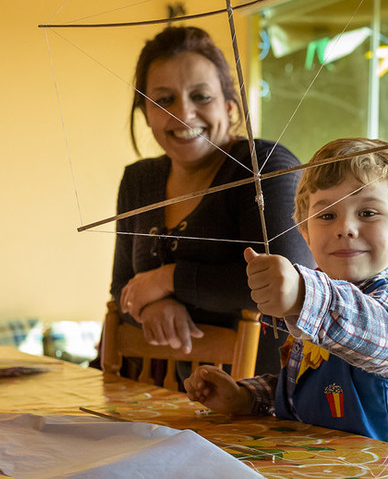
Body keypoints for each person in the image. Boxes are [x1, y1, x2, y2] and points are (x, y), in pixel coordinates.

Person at [185, 138, 388, 445]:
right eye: (327, 215)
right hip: (317, 471)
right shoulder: (319, 304)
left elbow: (373, 335)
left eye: (368, 213)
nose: (344, 228)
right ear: (305, 234)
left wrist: (302, 294)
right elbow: (305, 388)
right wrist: (244, 397)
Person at [108, 25, 313, 380]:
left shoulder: (263, 166)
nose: (182, 114)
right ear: (146, 113)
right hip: (156, 397)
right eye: (164, 100)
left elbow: (289, 283)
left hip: (262, 400)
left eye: (201, 96)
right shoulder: (137, 181)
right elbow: (121, 288)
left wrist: (169, 278)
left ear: (229, 106)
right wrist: (152, 306)